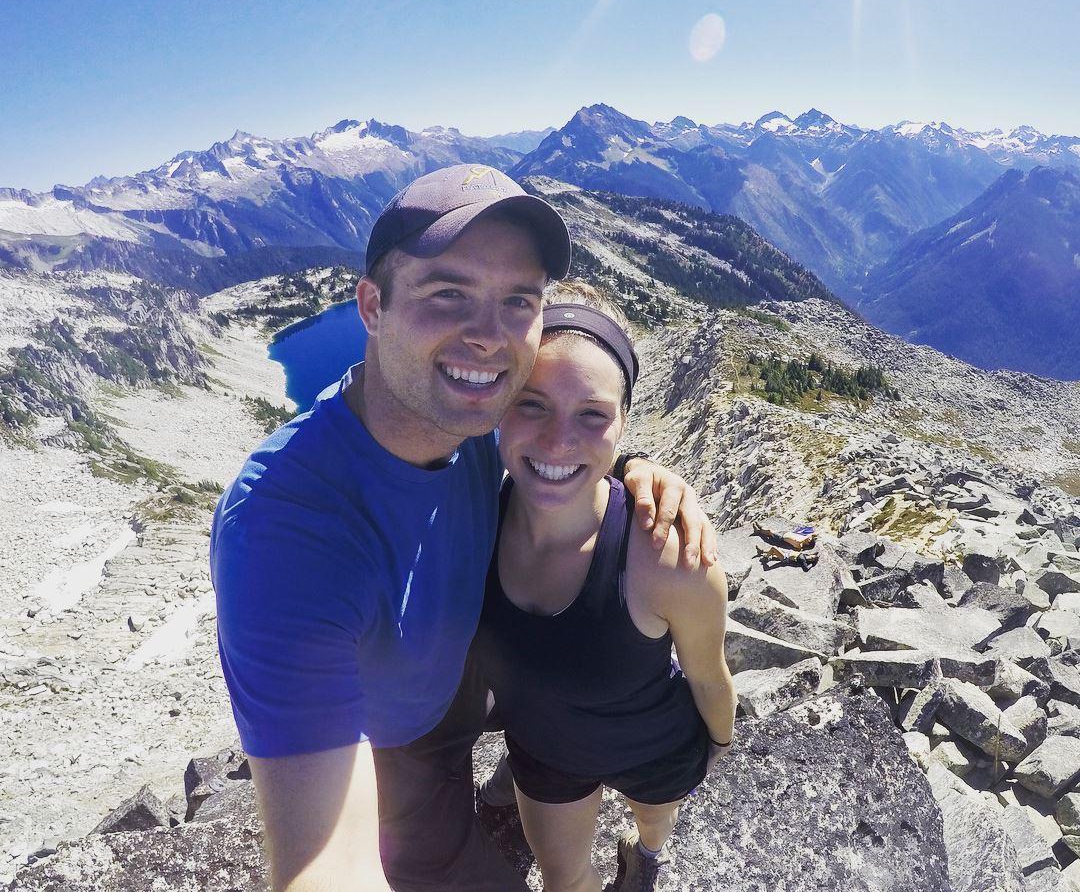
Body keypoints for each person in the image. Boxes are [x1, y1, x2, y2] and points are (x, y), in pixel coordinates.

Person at [210, 164, 719, 892]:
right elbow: (325, 866)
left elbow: (556, 441)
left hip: (466, 678)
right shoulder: (286, 532)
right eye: (448, 293)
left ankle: (521, 768)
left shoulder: (475, 416)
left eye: (518, 300)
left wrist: (636, 473)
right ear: (372, 305)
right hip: (400, 748)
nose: (488, 338)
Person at [473, 280, 736, 892]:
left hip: (657, 748)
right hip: (546, 751)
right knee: (564, 878)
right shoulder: (466, 515)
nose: (558, 441)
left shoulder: (671, 556)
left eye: (592, 414)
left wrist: (718, 745)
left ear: (623, 426)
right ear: (500, 400)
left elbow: (707, 674)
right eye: (532, 403)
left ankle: (647, 853)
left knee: (655, 822)